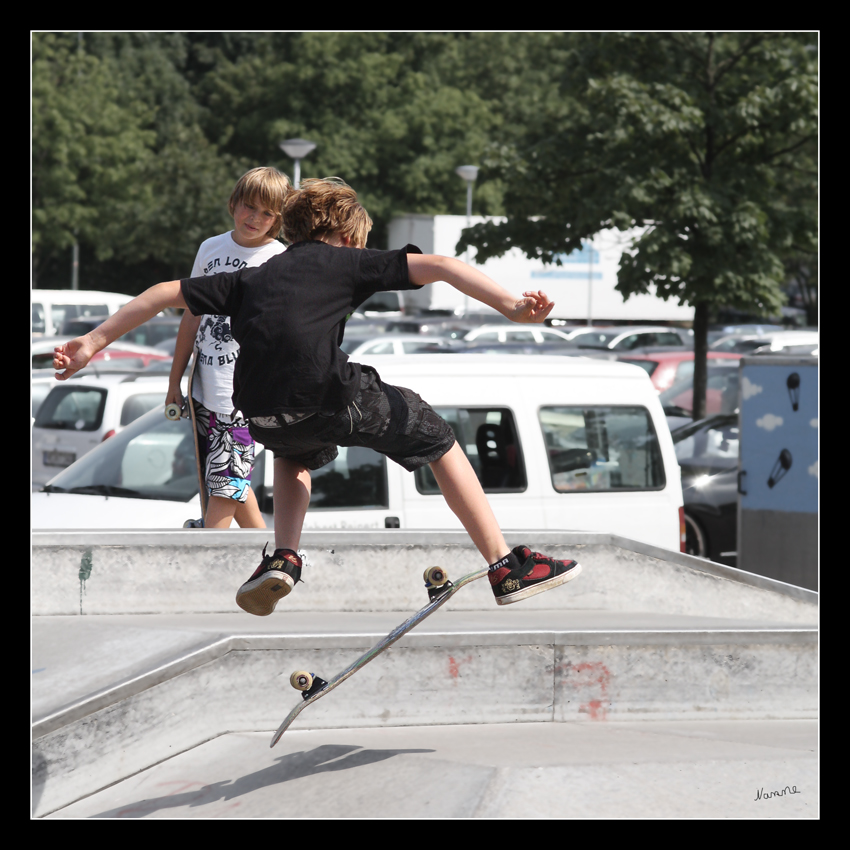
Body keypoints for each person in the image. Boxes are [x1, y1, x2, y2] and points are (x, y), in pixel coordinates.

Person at [54, 177, 582, 616]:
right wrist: (512, 305)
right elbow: (442, 266)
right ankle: (504, 565)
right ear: (350, 235)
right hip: (332, 397)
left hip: (259, 413)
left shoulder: (250, 276)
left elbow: (165, 293)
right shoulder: (351, 263)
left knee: (292, 449)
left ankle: (284, 557)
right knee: (437, 438)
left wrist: (92, 343)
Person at [167, 166, 291, 529]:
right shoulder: (210, 248)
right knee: (230, 483)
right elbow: (191, 317)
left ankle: (207, 572)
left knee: (221, 492)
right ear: (233, 203)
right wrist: (175, 384)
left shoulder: (278, 258)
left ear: (278, 220)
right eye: (249, 207)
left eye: (267, 213)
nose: (255, 218)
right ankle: (271, 559)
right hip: (206, 391)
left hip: (244, 399)